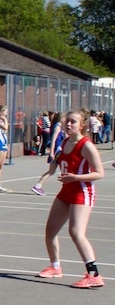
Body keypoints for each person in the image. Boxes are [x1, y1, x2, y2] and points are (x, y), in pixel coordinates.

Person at [32, 110, 106, 288]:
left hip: (82, 191)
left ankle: (94, 274)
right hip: (66, 191)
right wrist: (53, 162)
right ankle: (55, 267)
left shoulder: (86, 145)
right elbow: (59, 162)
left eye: (73, 122)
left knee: (76, 232)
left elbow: (100, 173)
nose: (68, 124)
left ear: (82, 125)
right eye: (67, 121)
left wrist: (76, 177)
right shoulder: (65, 142)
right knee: (50, 231)